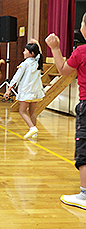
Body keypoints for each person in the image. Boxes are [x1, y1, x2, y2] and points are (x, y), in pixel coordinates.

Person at [45, 12, 86, 210]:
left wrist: (55, 48)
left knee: (84, 148)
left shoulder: (81, 51)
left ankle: (85, 195)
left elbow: (62, 70)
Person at [3, 40, 45, 139]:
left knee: (22, 111)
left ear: (32, 53)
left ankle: (32, 128)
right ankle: (34, 132)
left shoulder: (25, 63)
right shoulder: (37, 61)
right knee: (32, 112)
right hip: (36, 91)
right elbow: (40, 52)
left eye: (25, 51)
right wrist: (37, 43)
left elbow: (16, 77)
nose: (23, 52)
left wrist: (9, 89)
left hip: (26, 91)